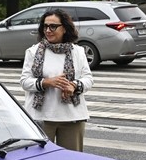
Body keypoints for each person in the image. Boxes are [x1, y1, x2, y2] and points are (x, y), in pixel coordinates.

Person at [19, 8, 92, 151]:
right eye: (45, 26)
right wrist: (46, 82)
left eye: (53, 26)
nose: (48, 30)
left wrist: (74, 86)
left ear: (64, 28)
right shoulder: (33, 51)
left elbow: (88, 79)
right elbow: (24, 81)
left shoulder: (77, 51)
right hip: (41, 117)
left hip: (72, 116)